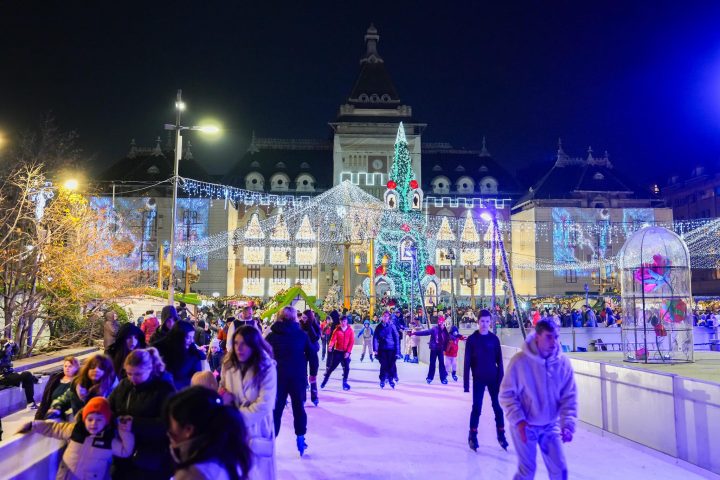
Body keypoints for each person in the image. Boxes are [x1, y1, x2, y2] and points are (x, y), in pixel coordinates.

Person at [499, 320, 578, 480]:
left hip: (550, 426)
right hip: (525, 426)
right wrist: (519, 420)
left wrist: (568, 424)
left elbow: (569, 396)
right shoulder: (520, 362)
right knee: (527, 471)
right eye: (549, 337)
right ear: (537, 337)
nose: (554, 342)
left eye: (556, 337)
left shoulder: (563, 363)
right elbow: (506, 394)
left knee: (560, 471)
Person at [20, 396, 134, 480]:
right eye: (90, 419)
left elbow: (125, 451)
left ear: (106, 421)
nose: (93, 423)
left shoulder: (108, 440)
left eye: (99, 420)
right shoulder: (75, 430)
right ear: (84, 419)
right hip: (67, 476)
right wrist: (33, 425)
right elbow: (54, 428)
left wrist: (124, 431)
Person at [108, 348, 176, 479]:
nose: (132, 378)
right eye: (129, 373)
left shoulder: (164, 389)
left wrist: (135, 424)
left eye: (138, 374)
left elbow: (168, 424)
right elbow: (110, 408)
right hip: (123, 455)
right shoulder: (124, 385)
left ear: (150, 369)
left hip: (151, 459)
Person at [220, 325, 278, 475]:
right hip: (233, 429)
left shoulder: (267, 368)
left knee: (257, 473)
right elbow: (223, 389)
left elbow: (265, 404)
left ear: (254, 345)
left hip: (257, 427)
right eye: (236, 343)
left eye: (244, 343)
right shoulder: (228, 364)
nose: (239, 348)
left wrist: (237, 417)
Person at [167, 386, 252, 480]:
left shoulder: (190, 475)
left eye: (171, 423)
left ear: (188, 430)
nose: (169, 430)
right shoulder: (227, 460)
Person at [264, 307, 313, 457]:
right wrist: (314, 374)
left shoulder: (271, 336)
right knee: (299, 408)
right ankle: (300, 436)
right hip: (297, 377)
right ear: (295, 318)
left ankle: (271, 440)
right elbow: (312, 355)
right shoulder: (301, 335)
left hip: (278, 377)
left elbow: (263, 355)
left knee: (276, 410)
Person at [464, 309, 507, 452]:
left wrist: (500, 380)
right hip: (478, 379)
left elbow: (499, 361)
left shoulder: (494, 339)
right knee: (477, 408)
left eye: (487, 321)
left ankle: (501, 435)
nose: (484, 324)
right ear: (478, 322)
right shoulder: (472, 340)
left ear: (490, 322)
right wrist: (466, 384)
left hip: (493, 378)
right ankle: (472, 435)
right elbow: (467, 362)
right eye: (482, 321)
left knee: (498, 408)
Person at [49, 354, 115, 418]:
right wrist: (56, 408)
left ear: (107, 371)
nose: (96, 370)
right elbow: (64, 399)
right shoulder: (78, 384)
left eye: (101, 368)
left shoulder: (111, 389)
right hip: (79, 424)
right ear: (87, 369)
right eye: (92, 367)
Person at [154, 320, 206, 390]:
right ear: (178, 337)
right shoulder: (163, 350)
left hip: (185, 393)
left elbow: (197, 378)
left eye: (192, 337)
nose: (191, 341)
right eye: (188, 337)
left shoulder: (193, 354)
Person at [35, 356, 80, 420]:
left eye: (70, 366)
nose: (67, 368)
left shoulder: (79, 383)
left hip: (69, 417)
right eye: (65, 366)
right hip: (51, 415)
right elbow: (45, 401)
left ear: (76, 368)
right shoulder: (55, 379)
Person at [409, 315, 450, 384]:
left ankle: (443, 378)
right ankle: (430, 377)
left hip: (440, 349)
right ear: (438, 323)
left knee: (441, 364)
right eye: (440, 322)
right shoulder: (434, 329)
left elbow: (447, 340)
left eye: (443, 322)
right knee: (432, 363)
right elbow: (425, 333)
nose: (442, 324)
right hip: (434, 349)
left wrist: (445, 349)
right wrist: (414, 333)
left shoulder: (445, 331)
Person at [0, 339, 39, 410]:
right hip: (3, 378)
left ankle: (31, 403)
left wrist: (13, 343)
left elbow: (16, 349)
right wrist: (6, 346)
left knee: (28, 380)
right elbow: (3, 352)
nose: (9, 350)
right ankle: (35, 379)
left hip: (11, 376)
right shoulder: (2, 353)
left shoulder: (8, 352)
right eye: (8, 347)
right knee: (27, 374)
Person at [321, 315, 354, 391]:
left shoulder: (350, 330)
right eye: (342, 321)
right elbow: (333, 339)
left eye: (344, 321)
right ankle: (325, 381)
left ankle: (344, 382)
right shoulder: (337, 330)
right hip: (337, 352)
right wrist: (330, 346)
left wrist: (348, 352)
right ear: (340, 321)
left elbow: (351, 342)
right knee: (332, 368)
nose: (343, 323)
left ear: (347, 321)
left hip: (345, 352)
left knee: (347, 368)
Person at [372, 312, 400, 389]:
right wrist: (375, 349)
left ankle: (391, 379)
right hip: (382, 349)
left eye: (387, 316)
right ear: (382, 317)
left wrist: (397, 352)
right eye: (384, 316)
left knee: (391, 365)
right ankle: (382, 379)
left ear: (389, 317)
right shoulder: (379, 327)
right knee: (384, 365)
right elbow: (375, 338)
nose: (385, 318)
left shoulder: (392, 326)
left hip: (391, 349)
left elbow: (396, 339)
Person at [299, 309, 321, 406]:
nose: (303, 319)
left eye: (305, 318)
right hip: (302, 353)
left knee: (313, 376)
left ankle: (314, 396)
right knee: (302, 376)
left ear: (310, 318)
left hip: (312, 352)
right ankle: (302, 397)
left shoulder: (314, 326)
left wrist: (309, 326)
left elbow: (316, 338)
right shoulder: (299, 326)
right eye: (302, 317)